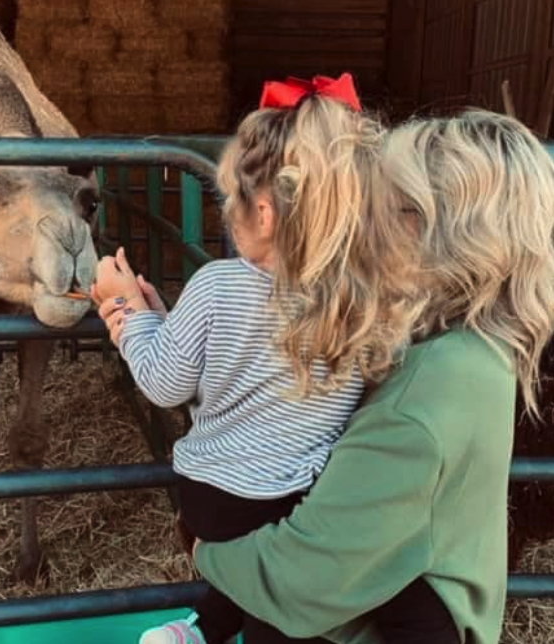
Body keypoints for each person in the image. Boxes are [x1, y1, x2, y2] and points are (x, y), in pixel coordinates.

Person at [182, 109, 554, 644]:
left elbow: (300, 579)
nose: (359, 222)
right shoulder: (482, 347)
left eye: (380, 206)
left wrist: (206, 550)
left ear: (432, 229)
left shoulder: (428, 395)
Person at [92, 73, 438, 644]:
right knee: (279, 584)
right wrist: (162, 317)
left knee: (259, 589)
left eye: (230, 198)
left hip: (215, 505)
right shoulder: (367, 300)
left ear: (266, 211)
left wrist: (128, 311)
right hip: (305, 512)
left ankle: (199, 632)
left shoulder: (216, 285)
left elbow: (163, 382)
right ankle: (206, 627)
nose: (226, 211)